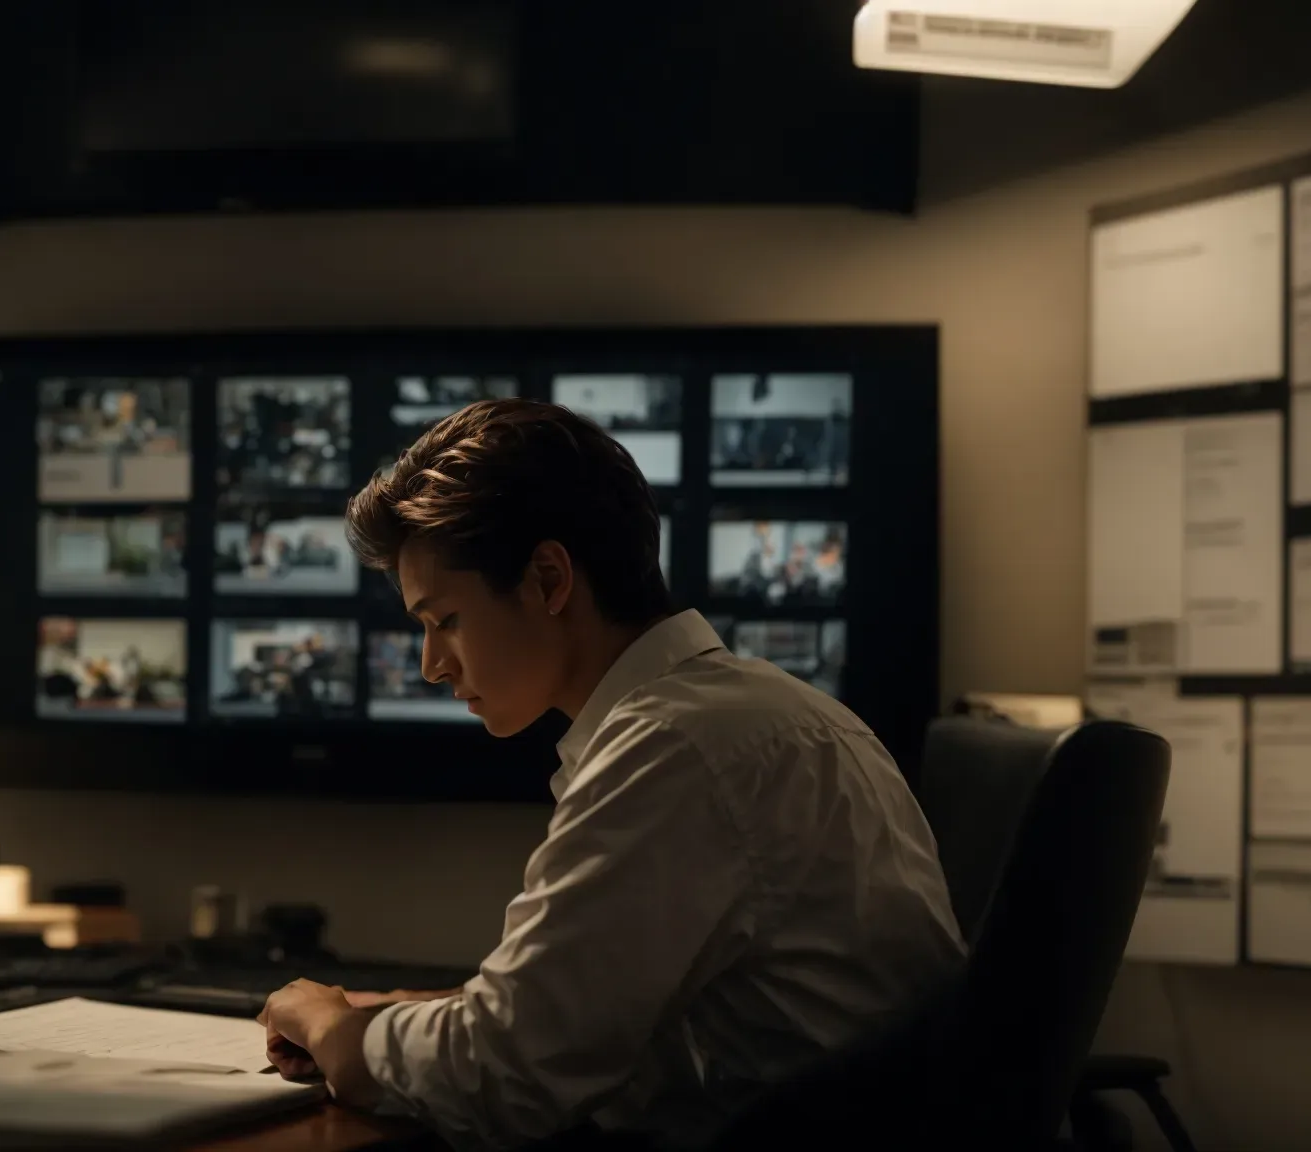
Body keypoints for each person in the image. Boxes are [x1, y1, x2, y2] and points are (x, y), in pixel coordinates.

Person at [258, 398, 964, 1150]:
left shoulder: (674, 747)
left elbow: (501, 1079)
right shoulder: (763, 713)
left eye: (446, 621)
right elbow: (608, 1019)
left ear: (549, 579)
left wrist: (331, 1026)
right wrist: (417, 1016)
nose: (432, 665)